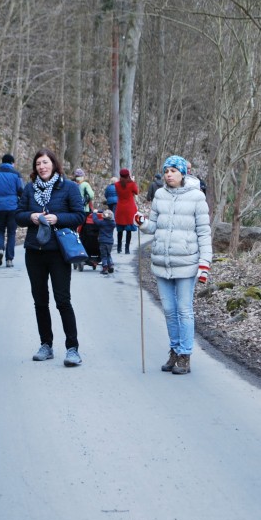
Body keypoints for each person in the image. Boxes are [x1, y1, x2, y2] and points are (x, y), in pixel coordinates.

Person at [135, 155, 212, 375]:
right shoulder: (160, 195)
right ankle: (175, 350)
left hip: (187, 262)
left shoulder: (197, 197)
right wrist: (142, 223)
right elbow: (153, 227)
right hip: (162, 261)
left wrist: (204, 263)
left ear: (182, 173)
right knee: (169, 310)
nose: (169, 175)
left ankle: (185, 355)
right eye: (166, 171)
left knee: (184, 310)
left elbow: (204, 232)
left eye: (173, 171)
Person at [16, 149, 85, 367]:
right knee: (40, 301)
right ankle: (46, 345)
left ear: (54, 164)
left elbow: (80, 215)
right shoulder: (29, 189)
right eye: (38, 164)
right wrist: (31, 216)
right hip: (34, 251)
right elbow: (18, 216)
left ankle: (72, 348)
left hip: (59, 252)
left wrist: (58, 218)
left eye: (45, 162)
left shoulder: (69, 187)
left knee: (62, 300)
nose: (42, 167)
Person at [0, 153, 25, 267]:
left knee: (0, 230)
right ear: (12, 163)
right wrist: (23, 206)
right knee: (11, 233)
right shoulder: (16, 174)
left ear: (2, 162)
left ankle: (0, 249)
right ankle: (9, 260)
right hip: (13, 207)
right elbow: (21, 190)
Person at [113, 168, 139, 254]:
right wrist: (133, 181)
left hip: (120, 208)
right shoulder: (131, 184)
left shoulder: (116, 184)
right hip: (129, 209)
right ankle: (127, 249)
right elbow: (136, 192)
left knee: (119, 230)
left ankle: (119, 248)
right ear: (128, 175)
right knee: (129, 230)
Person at [91, 209, 116, 274]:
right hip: (110, 242)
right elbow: (113, 218)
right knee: (108, 254)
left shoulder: (102, 223)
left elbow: (95, 220)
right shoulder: (113, 224)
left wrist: (94, 213)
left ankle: (105, 268)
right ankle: (111, 265)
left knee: (104, 255)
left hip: (103, 241)